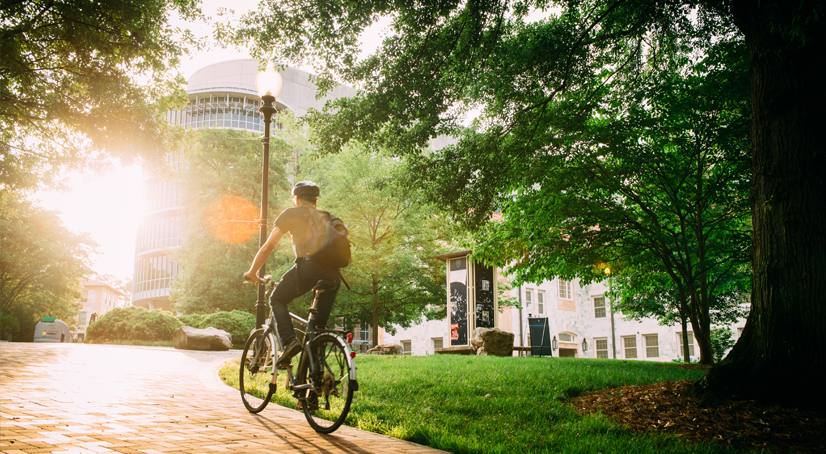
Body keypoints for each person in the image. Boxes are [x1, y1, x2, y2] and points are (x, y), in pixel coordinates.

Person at [243, 181, 341, 368]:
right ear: (316, 200)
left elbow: (268, 246)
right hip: (335, 276)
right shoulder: (326, 217)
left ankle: (289, 342)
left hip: (309, 268)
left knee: (277, 299)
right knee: (317, 331)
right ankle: (313, 385)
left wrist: (252, 272)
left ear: (296, 199)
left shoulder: (291, 213)